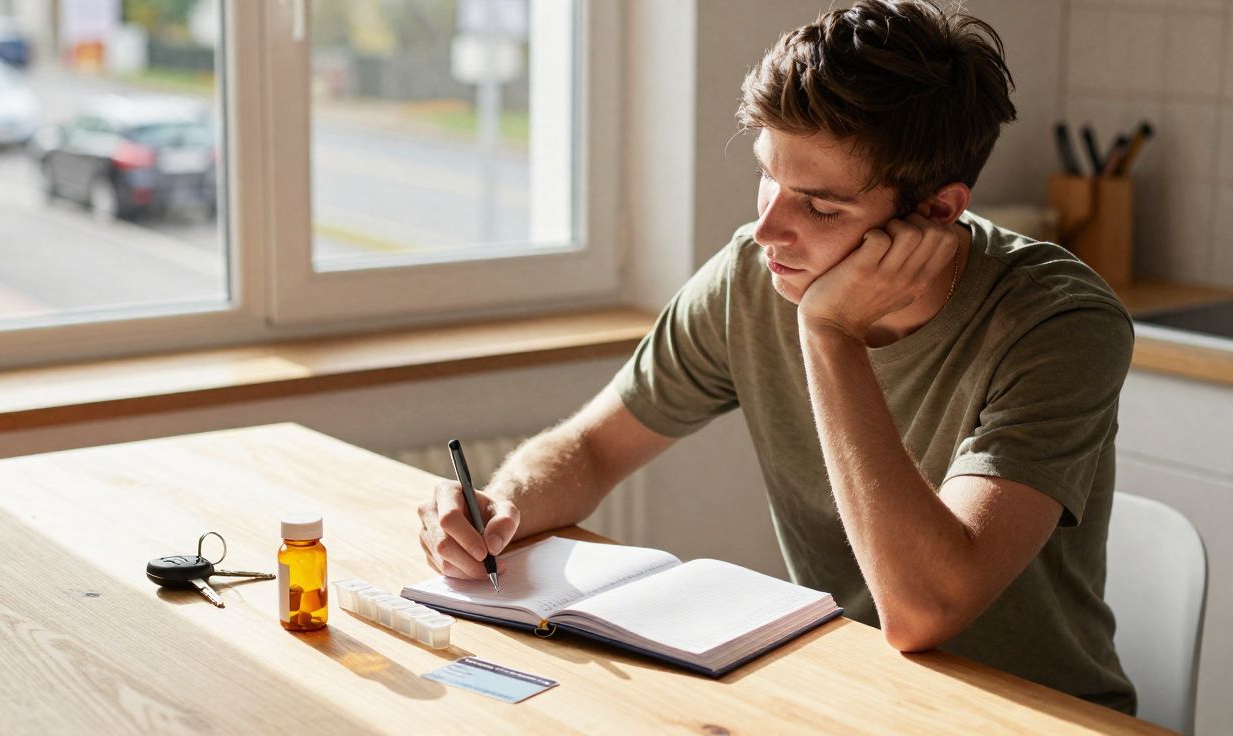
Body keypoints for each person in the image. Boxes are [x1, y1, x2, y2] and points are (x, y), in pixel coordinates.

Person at [417, 0, 1135, 713]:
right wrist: (500, 506)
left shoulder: (1060, 322)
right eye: (769, 177)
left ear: (938, 211)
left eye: (820, 207)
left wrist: (829, 335)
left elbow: (924, 612)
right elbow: (595, 449)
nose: (767, 231)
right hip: (852, 695)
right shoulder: (751, 277)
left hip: (1036, 715)